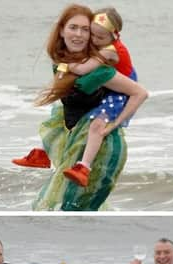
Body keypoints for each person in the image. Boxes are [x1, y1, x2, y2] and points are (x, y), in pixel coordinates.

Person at [12, 4, 148, 210]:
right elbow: (69, 106)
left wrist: (116, 124)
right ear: (61, 30)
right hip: (76, 145)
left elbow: (140, 93)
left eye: (85, 30)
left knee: (71, 210)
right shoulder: (65, 62)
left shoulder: (101, 69)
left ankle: (78, 165)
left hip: (102, 153)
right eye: (74, 27)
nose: (82, 35)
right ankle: (43, 153)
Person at [61, 7, 139, 187]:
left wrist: (63, 63)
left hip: (119, 90)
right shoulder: (102, 45)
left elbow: (81, 69)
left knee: (97, 124)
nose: (94, 40)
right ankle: (42, 153)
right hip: (108, 84)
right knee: (62, 110)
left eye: (100, 37)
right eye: (92, 34)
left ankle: (84, 168)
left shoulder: (109, 51)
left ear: (114, 35)